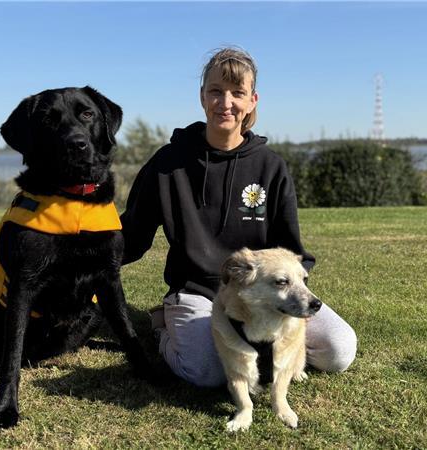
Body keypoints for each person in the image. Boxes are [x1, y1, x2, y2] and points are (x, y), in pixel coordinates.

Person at [120, 47, 357, 387]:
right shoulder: (167, 163)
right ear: (202, 97)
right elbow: (133, 235)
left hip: (262, 294)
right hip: (198, 292)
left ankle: (256, 342)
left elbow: (291, 251)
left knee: (338, 350)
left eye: (237, 93)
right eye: (216, 91)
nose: (225, 102)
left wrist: (283, 297)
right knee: (206, 371)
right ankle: (163, 328)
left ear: (252, 100)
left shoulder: (271, 166)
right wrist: (80, 259)